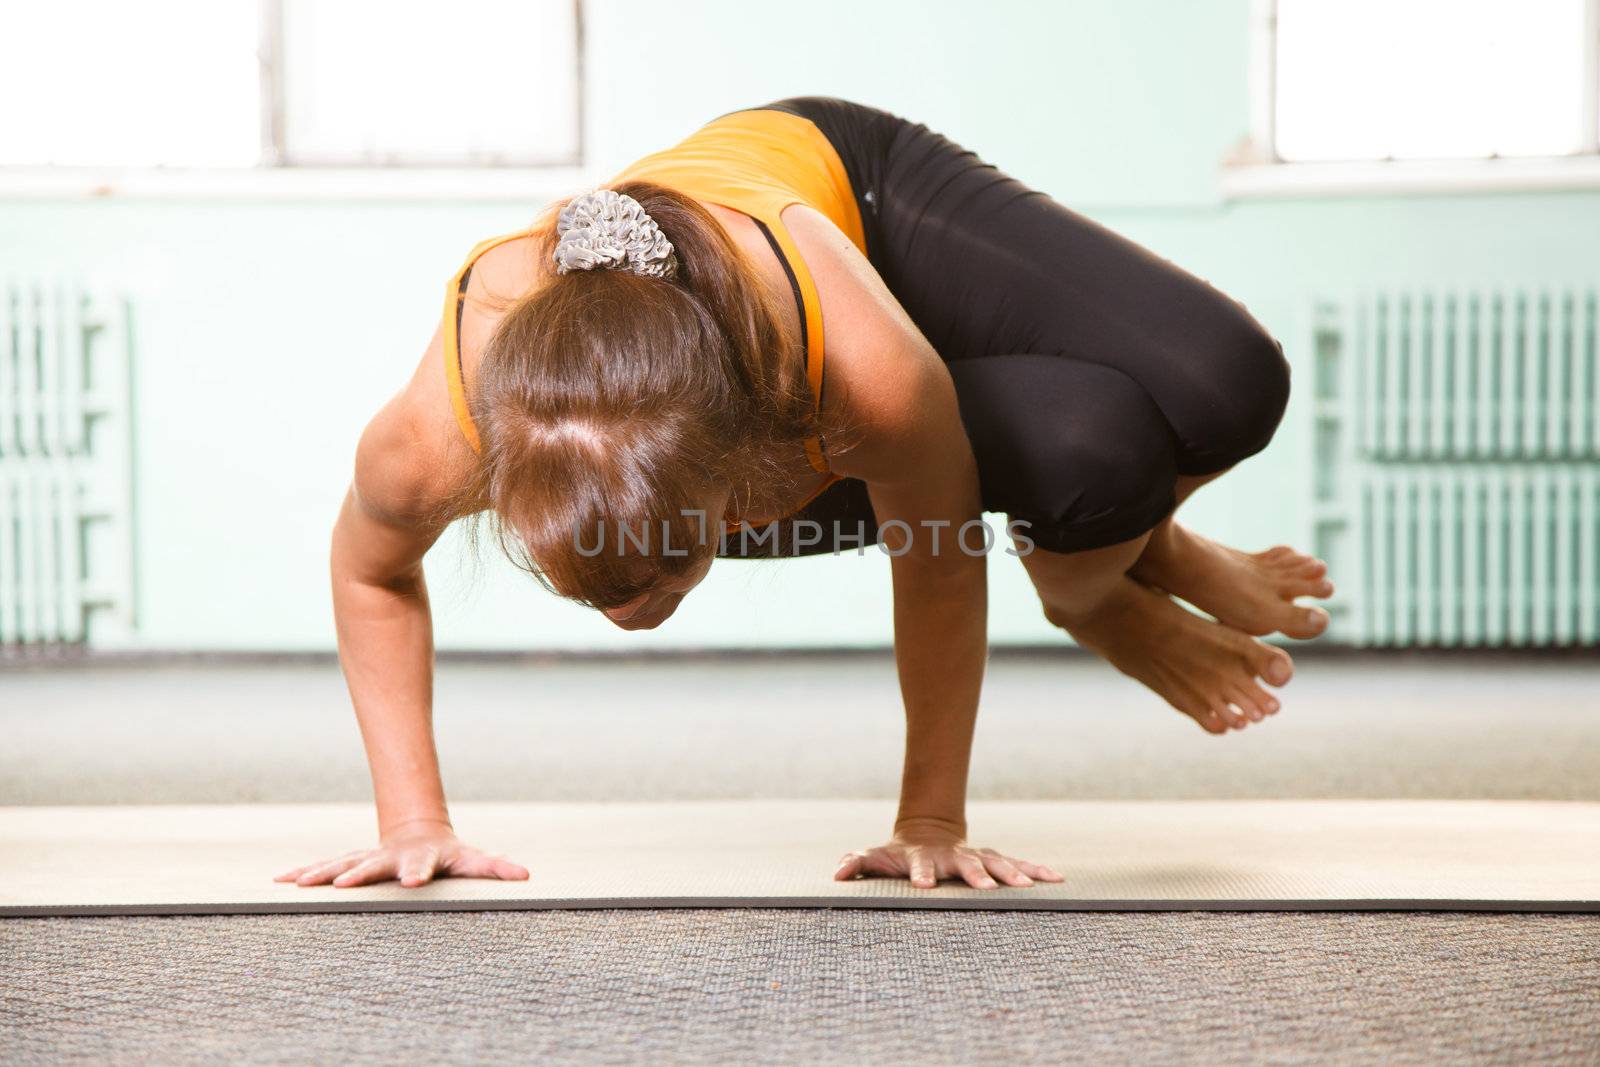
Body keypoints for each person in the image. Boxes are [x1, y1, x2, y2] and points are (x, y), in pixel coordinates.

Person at [275, 97, 1334, 894]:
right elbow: (368, 569)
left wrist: (931, 818)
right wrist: (412, 819)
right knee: (1089, 451)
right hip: (754, 406)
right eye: (586, 593)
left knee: (1228, 382)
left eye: (647, 578)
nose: (625, 615)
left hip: (858, 207)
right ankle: (1110, 562)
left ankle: (1108, 578)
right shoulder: (433, 436)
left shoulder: (851, 377)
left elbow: (936, 553)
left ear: (738, 477)